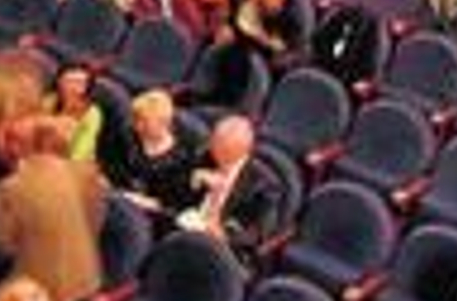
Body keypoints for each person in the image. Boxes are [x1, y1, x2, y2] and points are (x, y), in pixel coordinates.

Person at [0, 117, 104, 301]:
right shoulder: (85, 174)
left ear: (18, 149)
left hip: (38, 290)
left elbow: (3, 248)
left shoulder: (11, 189)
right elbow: (96, 222)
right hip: (86, 279)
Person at [176, 115, 283, 268]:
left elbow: (258, 234)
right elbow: (178, 193)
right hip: (187, 230)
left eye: (221, 148)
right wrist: (194, 180)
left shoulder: (265, 185)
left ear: (240, 151)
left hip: (225, 252)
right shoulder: (206, 155)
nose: (212, 149)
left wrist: (222, 235)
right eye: (214, 142)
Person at [112, 89, 197, 218]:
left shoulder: (182, 158)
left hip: (154, 216)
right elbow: (114, 170)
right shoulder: (128, 137)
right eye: (136, 119)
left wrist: (141, 201)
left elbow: (174, 205)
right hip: (118, 201)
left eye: (144, 121)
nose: (138, 126)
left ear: (164, 122)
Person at [47, 65, 103, 163]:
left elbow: (81, 150)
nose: (73, 87)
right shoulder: (48, 102)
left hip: (75, 165)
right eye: (69, 81)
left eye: (80, 83)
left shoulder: (92, 112)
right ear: (59, 82)